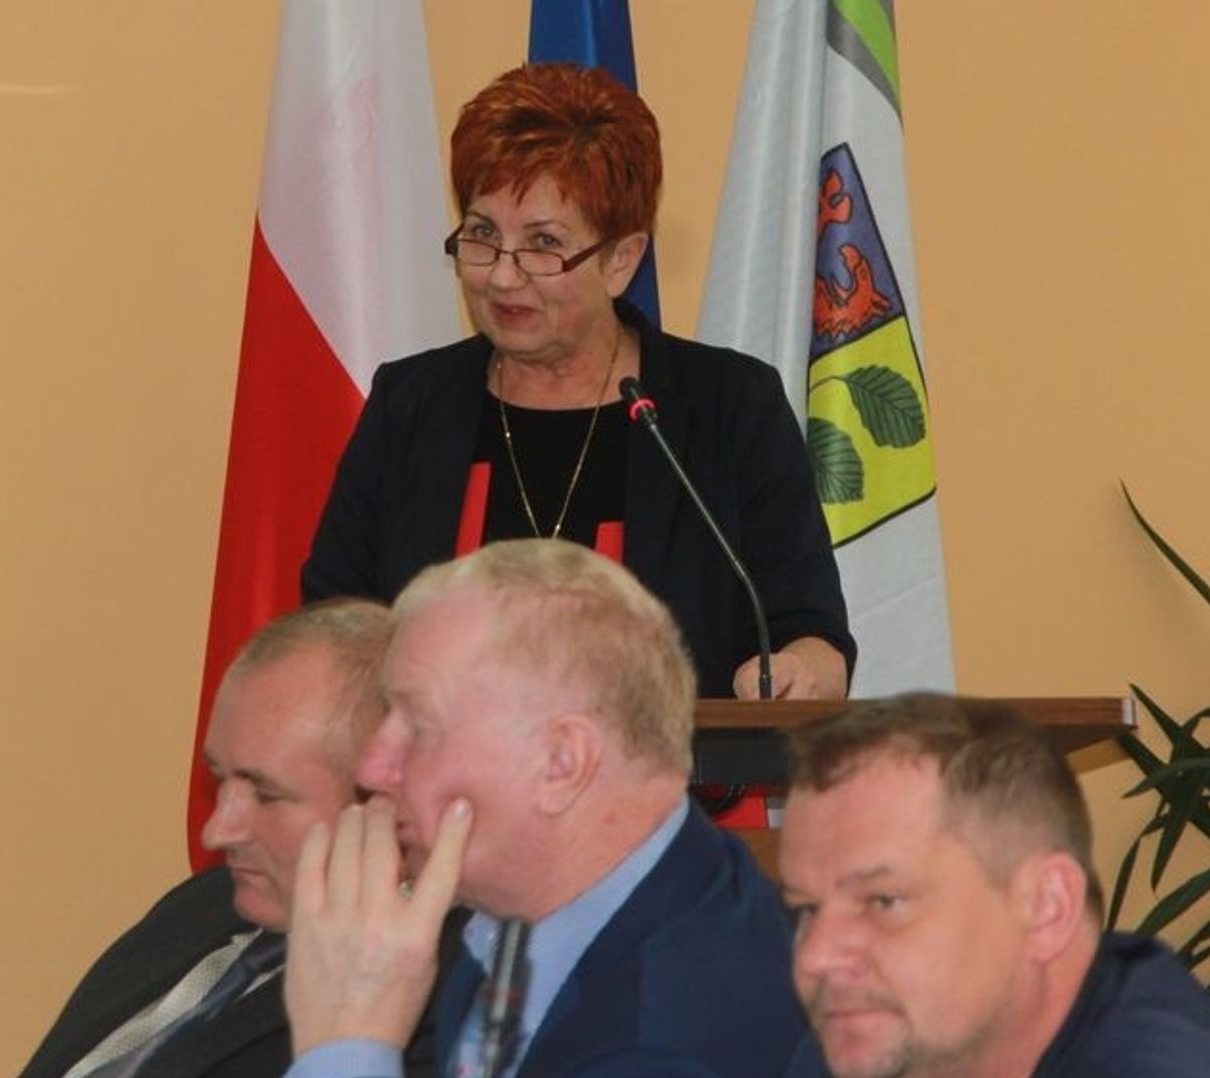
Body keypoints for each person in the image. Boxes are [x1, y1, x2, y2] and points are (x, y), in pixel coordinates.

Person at [301, 61, 854, 701]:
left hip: (669, 766)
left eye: (543, 244)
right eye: (482, 234)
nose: (502, 276)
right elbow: (333, 624)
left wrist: (798, 673)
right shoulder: (411, 404)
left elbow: (810, 633)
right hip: (437, 765)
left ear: (621, 259)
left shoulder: (728, 408)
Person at [279, 539, 806, 1078]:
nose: (371, 768)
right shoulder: (540, 910)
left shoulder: (670, 1056)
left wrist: (347, 1049)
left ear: (562, 763)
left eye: (419, 726)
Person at [0, 600, 443, 1078]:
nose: (216, 831)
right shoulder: (203, 906)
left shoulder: (427, 1019)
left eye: (265, 795)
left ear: (390, 803)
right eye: (219, 779)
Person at [776, 693, 1210, 1078]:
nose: (817, 956)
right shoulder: (858, 1058)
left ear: (1048, 907)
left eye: (884, 902)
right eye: (806, 910)